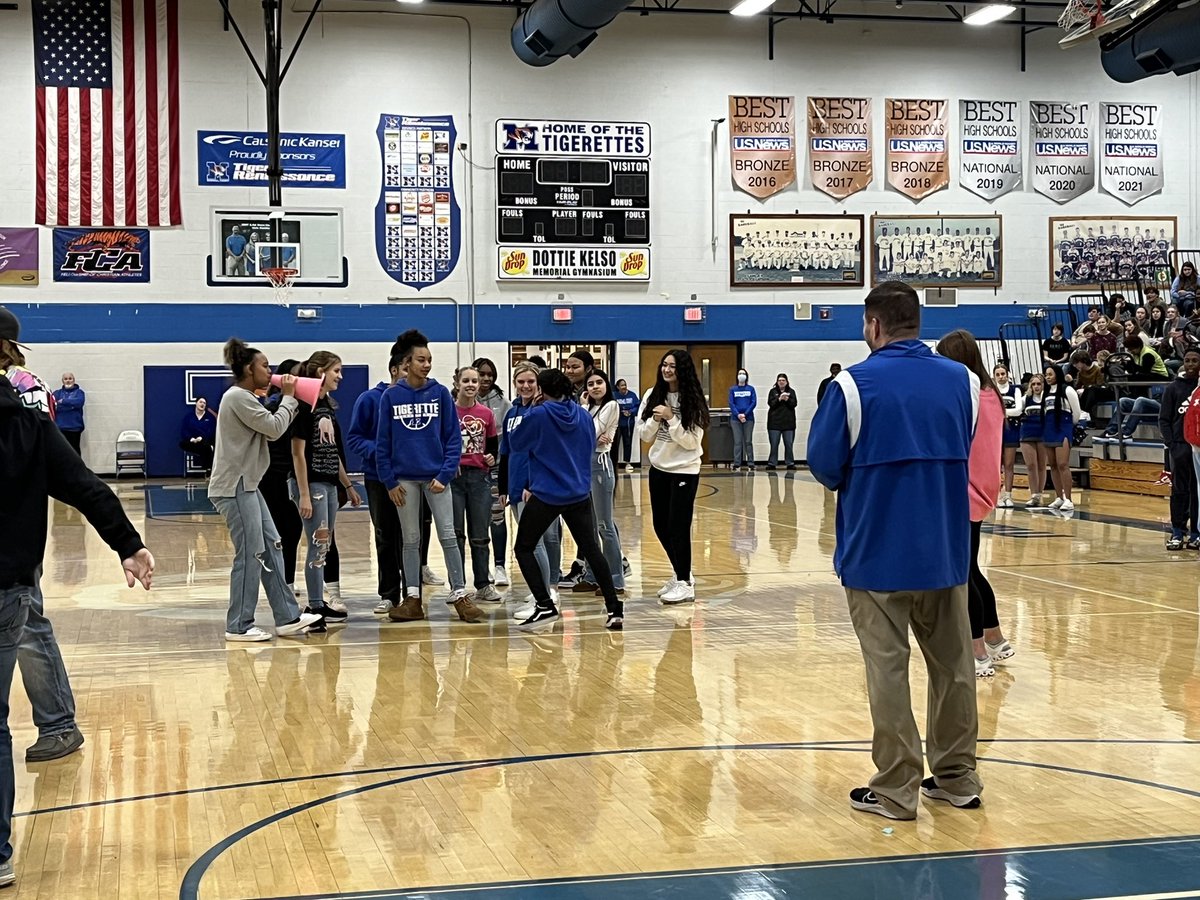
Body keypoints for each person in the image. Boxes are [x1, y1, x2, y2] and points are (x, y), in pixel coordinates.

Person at [807, 281, 982, 821]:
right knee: (954, 668)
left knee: (888, 670)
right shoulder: (965, 383)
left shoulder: (851, 386)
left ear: (874, 325)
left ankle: (897, 789)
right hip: (946, 552)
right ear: (917, 322)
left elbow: (824, 465)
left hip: (875, 552)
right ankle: (957, 778)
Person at [0, 373, 155, 890]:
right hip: (11, 585)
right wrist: (128, 543)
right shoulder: (31, 425)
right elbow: (86, 486)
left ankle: (58, 722)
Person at [0, 308, 90, 764]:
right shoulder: (29, 381)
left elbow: (38, 448)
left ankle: (58, 723)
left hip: (14, 522)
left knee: (29, 623)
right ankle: (57, 722)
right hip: (19, 521)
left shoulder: (22, 385)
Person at [209, 338, 323, 642]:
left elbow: (270, 430)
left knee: (271, 546)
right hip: (234, 486)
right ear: (249, 369)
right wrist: (288, 397)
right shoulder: (237, 397)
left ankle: (287, 617)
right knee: (249, 554)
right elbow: (274, 429)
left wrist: (285, 399)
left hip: (247, 485)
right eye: (264, 365)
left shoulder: (247, 398)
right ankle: (239, 624)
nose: (270, 370)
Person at [376, 329, 483, 624]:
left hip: (437, 478)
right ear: (406, 363)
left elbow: (452, 438)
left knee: (449, 536)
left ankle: (460, 594)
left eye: (429, 359)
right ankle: (412, 598)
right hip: (404, 481)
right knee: (411, 540)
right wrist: (389, 481)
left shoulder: (439, 394)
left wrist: (446, 473)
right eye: (421, 360)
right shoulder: (390, 396)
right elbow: (382, 442)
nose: (426, 364)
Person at [506, 368, 624, 630]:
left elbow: (516, 443)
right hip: (579, 493)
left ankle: (544, 605)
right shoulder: (582, 414)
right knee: (592, 550)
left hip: (548, 493)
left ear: (542, 390)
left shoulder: (538, 415)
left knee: (523, 548)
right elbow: (589, 446)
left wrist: (531, 413)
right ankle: (615, 608)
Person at [936, 331, 1014, 678]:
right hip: (982, 487)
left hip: (965, 489)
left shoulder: (969, 397)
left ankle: (977, 649)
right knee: (971, 568)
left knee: (963, 574)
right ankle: (995, 637)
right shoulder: (991, 393)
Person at [290, 351, 360, 624]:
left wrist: (347, 484)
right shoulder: (304, 405)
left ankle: (319, 603)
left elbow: (331, 451)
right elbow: (297, 453)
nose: (340, 376)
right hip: (312, 484)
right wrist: (304, 493)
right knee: (317, 545)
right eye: (336, 371)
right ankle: (314, 605)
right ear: (321, 372)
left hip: (330, 482)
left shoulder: (326, 406)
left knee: (325, 544)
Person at [639, 349, 708, 605]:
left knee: (679, 527)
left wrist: (672, 419)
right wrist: (657, 421)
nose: (667, 370)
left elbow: (692, 442)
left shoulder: (693, 400)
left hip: (684, 471)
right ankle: (683, 573)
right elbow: (645, 435)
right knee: (660, 526)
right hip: (659, 469)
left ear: (683, 371)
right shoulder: (652, 394)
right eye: (664, 365)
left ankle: (684, 582)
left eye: (673, 366)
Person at [347, 342, 406, 615]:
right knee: (385, 535)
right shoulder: (369, 399)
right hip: (377, 478)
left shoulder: (421, 399)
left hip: (411, 479)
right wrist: (381, 452)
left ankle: (413, 593)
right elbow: (355, 438)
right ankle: (389, 594)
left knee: (413, 536)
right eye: (406, 368)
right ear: (394, 369)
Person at [499, 360, 557, 622]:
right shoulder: (511, 414)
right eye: (521, 382)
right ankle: (540, 592)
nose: (525, 386)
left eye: (530, 382)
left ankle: (544, 595)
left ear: (539, 385)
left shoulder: (542, 412)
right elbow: (506, 453)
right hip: (514, 488)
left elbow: (546, 452)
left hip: (533, 489)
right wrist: (503, 487)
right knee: (529, 543)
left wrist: (532, 486)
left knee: (535, 544)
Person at [451, 366, 502, 604]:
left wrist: (492, 457)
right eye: (466, 380)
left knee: (480, 535)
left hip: (480, 479)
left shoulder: (486, 414)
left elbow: (492, 447)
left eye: (475, 380)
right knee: (456, 534)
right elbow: (440, 443)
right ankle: (458, 586)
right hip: (454, 479)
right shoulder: (448, 412)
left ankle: (483, 584)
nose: (471, 384)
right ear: (457, 383)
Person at [581, 369, 625, 596]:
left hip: (600, 465)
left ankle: (616, 578)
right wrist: (582, 408)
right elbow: (579, 433)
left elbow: (590, 431)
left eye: (599, 382)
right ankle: (591, 576)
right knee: (588, 527)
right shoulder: (588, 408)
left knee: (605, 525)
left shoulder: (611, 406)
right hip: (583, 468)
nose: (595, 387)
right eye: (590, 384)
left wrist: (590, 434)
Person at [472, 357, 512, 588]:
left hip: (495, 467)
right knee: (477, 520)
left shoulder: (502, 403)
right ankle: (480, 569)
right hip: (471, 469)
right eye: (482, 374)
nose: (486, 378)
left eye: (490, 374)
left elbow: (506, 436)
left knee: (497, 516)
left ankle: (499, 566)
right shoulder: (460, 399)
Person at [1160, 349, 1200, 550]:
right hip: (1180, 447)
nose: (1191, 364)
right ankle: (1177, 531)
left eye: (1195, 361)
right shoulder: (1173, 388)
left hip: (1198, 449)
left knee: (1197, 491)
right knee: (1179, 490)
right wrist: (1172, 444)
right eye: (1187, 361)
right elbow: (1164, 420)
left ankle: (1196, 533)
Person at [1040, 365, 1082, 511]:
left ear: (1057, 374)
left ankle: (1069, 499)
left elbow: (1076, 413)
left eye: (1050, 374)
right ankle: (1059, 497)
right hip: (1049, 429)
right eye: (1046, 375)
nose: (1048, 377)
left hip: (1063, 429)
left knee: (1063, 464)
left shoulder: (1067, 390)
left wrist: (1069, 427)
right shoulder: (1045, 392)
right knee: (1052, 465)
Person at [993, 364, 1023, 509]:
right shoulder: (991, 390)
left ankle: (1008, 495)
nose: (1001, 377)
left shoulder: (1015, 390)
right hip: (995, 430)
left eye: (1003, 373)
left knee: (1009, 464)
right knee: (996, 466)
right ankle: (997, 495)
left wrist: (1001, 413)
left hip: (1011, 429)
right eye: (998, 374)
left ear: (1008, 374)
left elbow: (1018, 410)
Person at [765, 373, 797, 471]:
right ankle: (772, 463)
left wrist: (787, 399)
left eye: (783, 380)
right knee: (774, 444)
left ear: (786, 382)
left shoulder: (791, 392)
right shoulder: (773, 391)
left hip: (788, 423)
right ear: (777, 382)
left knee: (789, 444)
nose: (781, 382)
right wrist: (779, 399)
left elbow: (794, 404)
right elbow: (771, 404)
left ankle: (790, 462)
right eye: (779, 380)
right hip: (774, 423)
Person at [179, 397, 217, 473]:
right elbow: (184, 430)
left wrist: (201, 438)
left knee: (206, 447)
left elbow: (211, 431)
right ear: (196, 403)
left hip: (204, 441)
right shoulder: (189, 417)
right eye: (200, 402)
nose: (202, 404)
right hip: (192, 442)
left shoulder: (210, 418)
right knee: (182, 444)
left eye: (204, 403)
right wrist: (191, 438)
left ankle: (208, 469)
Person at [729, 368, 757, 471]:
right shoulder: (733, 389)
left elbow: (753, 403)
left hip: (748, 419)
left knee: (748, 441)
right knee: (737, 442)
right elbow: (731, 403)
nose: (741, 375)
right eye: (740, 373)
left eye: (743, 373)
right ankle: (737, 463)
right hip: (735, 420)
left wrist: (745, 414)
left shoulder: (751, 389)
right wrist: (738, 415)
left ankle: (751, 463)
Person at [51, 373, 85, 455]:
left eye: (70, 378)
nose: (68, 381)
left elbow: (79, 402)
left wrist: (63, 401)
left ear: (74, 380)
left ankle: (77, 468)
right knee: (61, 452)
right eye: (66, 379)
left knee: (75, 452)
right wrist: (71, 405)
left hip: (74, 428)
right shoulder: (57, 393)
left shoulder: (79, 393)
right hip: (60, 428)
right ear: (62, 381)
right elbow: (53, 405)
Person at [612, 378, 639, 473]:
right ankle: (613, 463)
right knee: (614, 444)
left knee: (628, 442)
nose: (624, 387)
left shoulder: (632, 395)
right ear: (618, 387)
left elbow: (637, 406)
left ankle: (628, 462)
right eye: (622, 385)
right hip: (616, 424)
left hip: (628, 423)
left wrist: (630, 412)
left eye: (625, 385)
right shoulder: (614, 395)